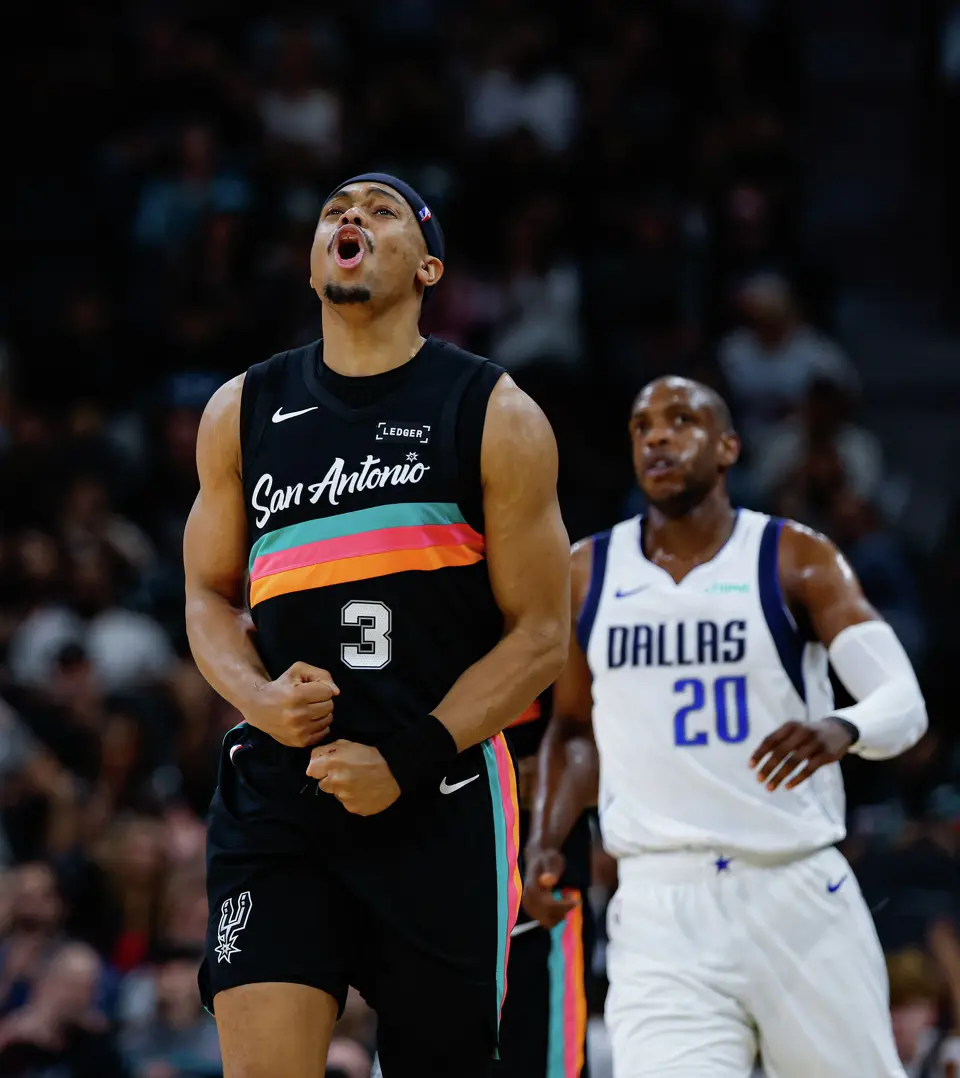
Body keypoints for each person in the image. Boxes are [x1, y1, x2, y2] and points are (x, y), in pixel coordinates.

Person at [183, 173, 570, 1078]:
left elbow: (541, 636)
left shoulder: (496, 413)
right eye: (331, 211)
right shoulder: (240, 410)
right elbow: (205, 596)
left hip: (438, 801)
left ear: (429, 266)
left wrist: (407, 757)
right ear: (315, 262)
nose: (348, 216)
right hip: (281, 797)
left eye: (381, 209)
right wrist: (258, 698)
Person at [523, 375, 928, 1078]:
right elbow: (575, 729)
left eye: (681, 420)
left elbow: (902, 700)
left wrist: (842, 727)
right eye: (642, 426)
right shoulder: (587, 572)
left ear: (728, 447)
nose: (657, 437)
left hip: (794, 889)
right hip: (658, 904)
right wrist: (546, 839)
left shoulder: (794, 557)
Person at [497, 689, 594, 1078]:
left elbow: (586, 737)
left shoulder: (566, 639)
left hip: (542, 888)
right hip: (444, 883)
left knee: (548, 1062)